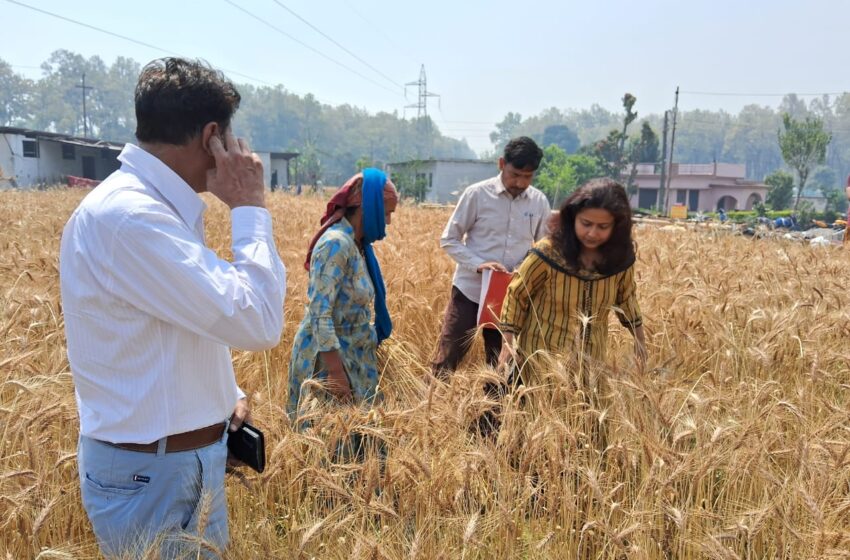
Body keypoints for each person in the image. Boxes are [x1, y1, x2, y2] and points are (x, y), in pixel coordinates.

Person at [59, 58, 286, 557]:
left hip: (169, 464)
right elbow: (260, 320)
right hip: (154, 475)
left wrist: (225, 394)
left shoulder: (153, 208)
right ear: (211, 137)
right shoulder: (132, 219)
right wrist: (250, 206)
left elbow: (175, 325)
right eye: (231, 136)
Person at [498, 178, 646, 378]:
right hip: (541, 361)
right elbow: (517, 294)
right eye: (586, 224)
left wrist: (640, 343)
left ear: (616, 226)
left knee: (584, 408)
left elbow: (627, 298)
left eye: (603, 227)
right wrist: (507, 343)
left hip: (591, 363)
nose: (592, 233)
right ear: (572, 218)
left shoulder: (620, 259)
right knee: (540, 408)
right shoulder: (548, 252)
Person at [432, 137, 550, 376]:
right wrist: (479, 264)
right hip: (470, 290)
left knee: (501, 362)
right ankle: (431, 407)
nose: (519, 182)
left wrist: (524, 266)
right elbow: (449, 239)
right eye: (515, 174)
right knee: (449, 354)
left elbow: (546, 246)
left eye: (527, 177)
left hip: (511, 295)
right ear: (501, 164)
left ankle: (491, 413)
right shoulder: (477, 194)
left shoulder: (538, 202)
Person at [288, 169, 398, 418]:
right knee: (332, 442)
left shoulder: (358, 246)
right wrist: (335, 372)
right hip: (329, 361)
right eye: (387, 212)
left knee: (359, 443)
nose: (388, 221)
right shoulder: (335, 244)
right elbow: (320, 312)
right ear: (368, 208)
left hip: (354, 355)